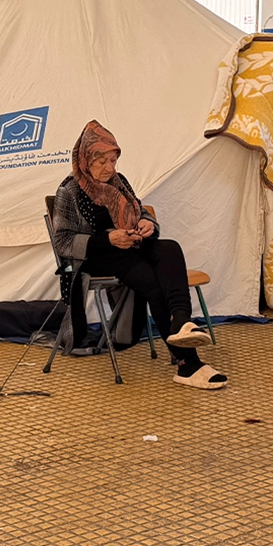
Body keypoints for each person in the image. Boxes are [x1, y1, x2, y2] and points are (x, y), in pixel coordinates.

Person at [49, 120, 226, 390]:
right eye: (102, 162)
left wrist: (147, 224)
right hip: (96, 258)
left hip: (129, 248)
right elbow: (63, 242)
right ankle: (187, 364)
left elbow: (138, 211)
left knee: (169, 247)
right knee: (153, 285)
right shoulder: (68, 192)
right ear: (85, 160)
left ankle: (180, 321)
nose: (110, 168)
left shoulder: (119, 182)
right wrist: (107, 239)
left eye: (113, 161)